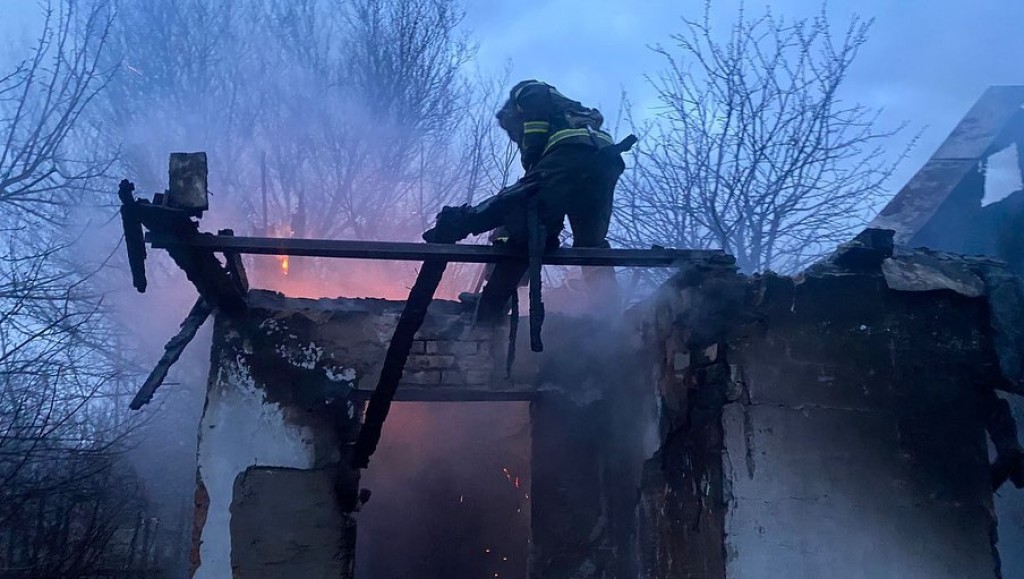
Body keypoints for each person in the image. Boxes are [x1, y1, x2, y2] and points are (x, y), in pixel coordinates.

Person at [424, 79, 632, 323]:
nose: (515, 137)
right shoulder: (569, 111)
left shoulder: (527, 92)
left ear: (514, 115)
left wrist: (531, 159)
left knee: (523, 218)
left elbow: (534, 131)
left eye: (513, 132)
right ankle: (608, 311)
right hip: (605, 164)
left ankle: (492, 305)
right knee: (590, 244)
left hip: (570, 156)